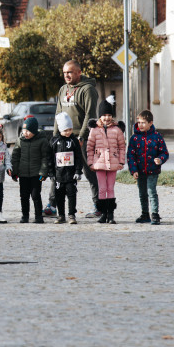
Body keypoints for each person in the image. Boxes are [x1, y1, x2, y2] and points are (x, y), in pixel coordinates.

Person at [52, 60, 101, 218]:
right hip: (63, 137)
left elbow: (90, 114)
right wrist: (54, 137)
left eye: (70, 72)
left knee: (88, 171)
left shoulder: (88, 89)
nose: (66, 75)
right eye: (65, 72)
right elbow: (58, 115)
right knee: (59, 169)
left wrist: (82, 136)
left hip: (81, 137)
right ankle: (52, 204)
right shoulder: (62, 89)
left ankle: (98, 205)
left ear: (79, 72)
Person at [127, 109, 169, 225]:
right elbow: (131, 155)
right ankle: (145, 213)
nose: (140, 125)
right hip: (140, 171)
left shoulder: (157, 136)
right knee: (142, 193)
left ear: (150, 123)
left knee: (151, 191)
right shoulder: (134, 138)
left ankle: (154, 214)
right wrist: (133, 170)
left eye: (143, 122)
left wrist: (160, 159)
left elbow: (164, 152)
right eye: (139, 122)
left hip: (153, 170)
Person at [88, 100, 127, 225]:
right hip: (99, 163)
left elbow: (122, 147)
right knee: (102, 188)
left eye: (109, 115)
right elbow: (89, 147)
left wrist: (121, 161)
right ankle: (102, 213)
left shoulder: (117, 130)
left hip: (113, 162)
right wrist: (90, 163)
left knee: (110, 188)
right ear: (100, 116)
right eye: (104, 115)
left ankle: (110, 214)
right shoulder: (94, 130)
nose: (107, 118)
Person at [10, 116, 50, 223]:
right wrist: (14, 172)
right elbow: (15, 157)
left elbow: (45, 158)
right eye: (24, 130)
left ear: (34, 131)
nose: (25, 133)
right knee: (24, 196)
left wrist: (44, 172)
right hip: (23, 174)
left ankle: (38, 216)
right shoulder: (20, 141)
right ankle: (25, 216)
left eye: (28, 131)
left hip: (36, 174)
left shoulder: (42, 141)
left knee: (36, 195)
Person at [49, 112, 84, 224]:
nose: (68, 132)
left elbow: (79, 156)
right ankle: (61, 215)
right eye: (65, 130)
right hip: (59, 175)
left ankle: (71, 215)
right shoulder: (54, 141)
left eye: (70, 129)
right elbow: (50, 158)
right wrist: (51, 172)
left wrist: (78, 171)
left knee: (72, 195)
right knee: (59, 196)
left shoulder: (74, 141)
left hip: (71, 174)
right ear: (60, 129)